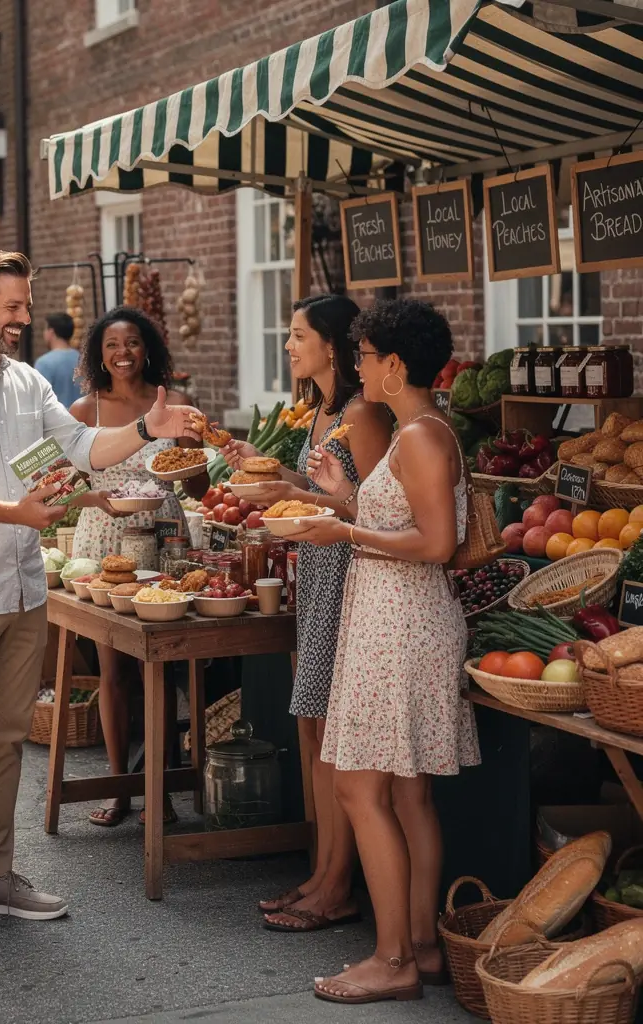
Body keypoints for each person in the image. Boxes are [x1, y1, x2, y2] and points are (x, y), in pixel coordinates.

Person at [0, 248, 202, 951]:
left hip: (24, 583)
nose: (23, 317)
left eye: (26, 304)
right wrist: (17, 513)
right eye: (11, 306)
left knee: (5, 739)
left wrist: (148, 430)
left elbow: (83, 444)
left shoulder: (28, 380)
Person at [283, 298, 481, 1005]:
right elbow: (411, 523)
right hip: (403, 624)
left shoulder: (421, 435)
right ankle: (421, 947)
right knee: (408, 793)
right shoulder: (416, 432)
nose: (356, 366)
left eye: (363, 356)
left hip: (399, 628)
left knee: (359, 788)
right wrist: (346, 501)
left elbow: (435, 545)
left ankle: (393, 957)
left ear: (394, 365)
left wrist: (349, 533)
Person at [222, 295, 393, 931]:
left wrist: (287, 492)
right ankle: (323, 872)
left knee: (333, 737)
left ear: (333, 345)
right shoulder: (323, 411)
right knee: (313, 731)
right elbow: (317, 489)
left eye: (299, 336)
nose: (289, 345)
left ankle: (337, 885)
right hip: (316, 574)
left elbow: (378, 508)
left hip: (351, 576)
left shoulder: (362, 412)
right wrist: (267, 474)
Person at [69, 306, 208, 827]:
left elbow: (199, 487)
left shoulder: (175, 405)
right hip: (105, 541)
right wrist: (90, 496)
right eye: (110, 345)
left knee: (163, 668)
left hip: (166, 538)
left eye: (130, 343)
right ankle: (122, 789)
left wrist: (195, 452)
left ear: (148, 348)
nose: (121, 353)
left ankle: (162, 791)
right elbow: (64, 480)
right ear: (98, 355)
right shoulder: (85, 411)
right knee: (114, 670)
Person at [33, 313, 80, 408]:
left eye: (44, 329)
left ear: (51, 332)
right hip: (84, 420)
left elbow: (38, 402)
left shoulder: (44, 363)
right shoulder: (83, 360)